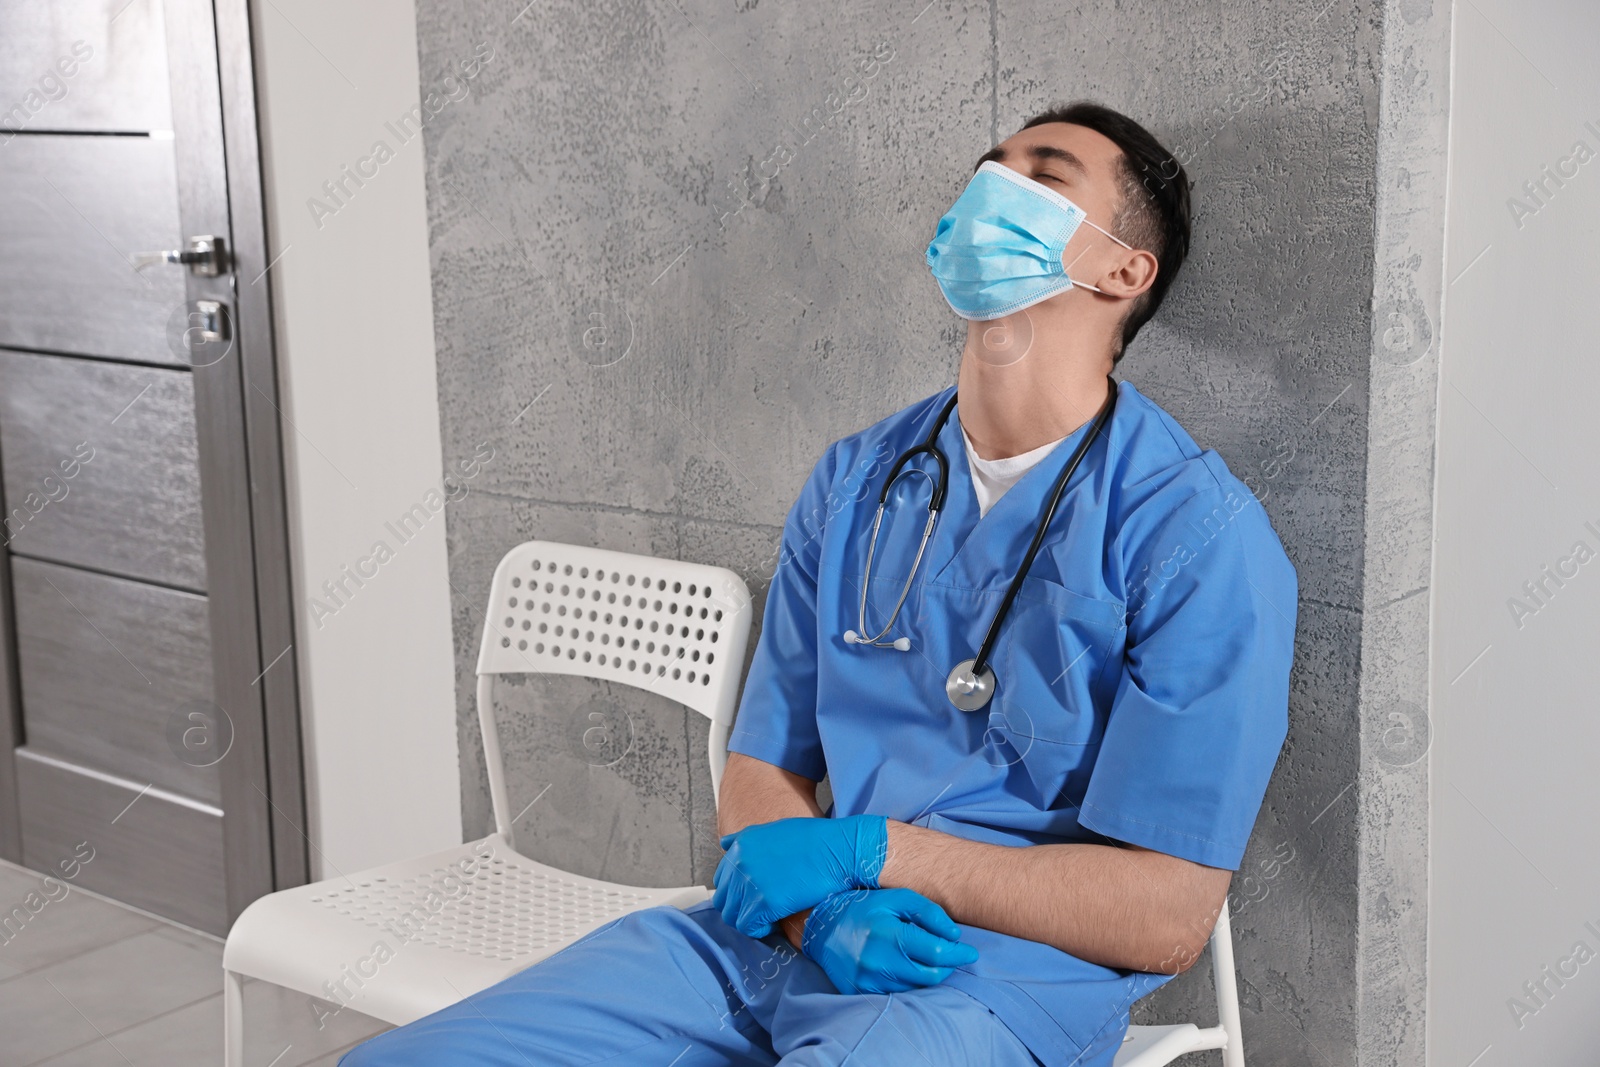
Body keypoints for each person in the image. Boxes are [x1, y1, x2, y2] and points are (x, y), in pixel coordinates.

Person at [341, 99, 1298, 1067]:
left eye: (1041, 177)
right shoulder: (856, 482)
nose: (991, 191)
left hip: (986, 982)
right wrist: (822, 912)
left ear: (1123, 269)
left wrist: (877, 852)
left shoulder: (1198, 537)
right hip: (772, 942)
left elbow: (1166, 912)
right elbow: (761, 770)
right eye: (987, 167)